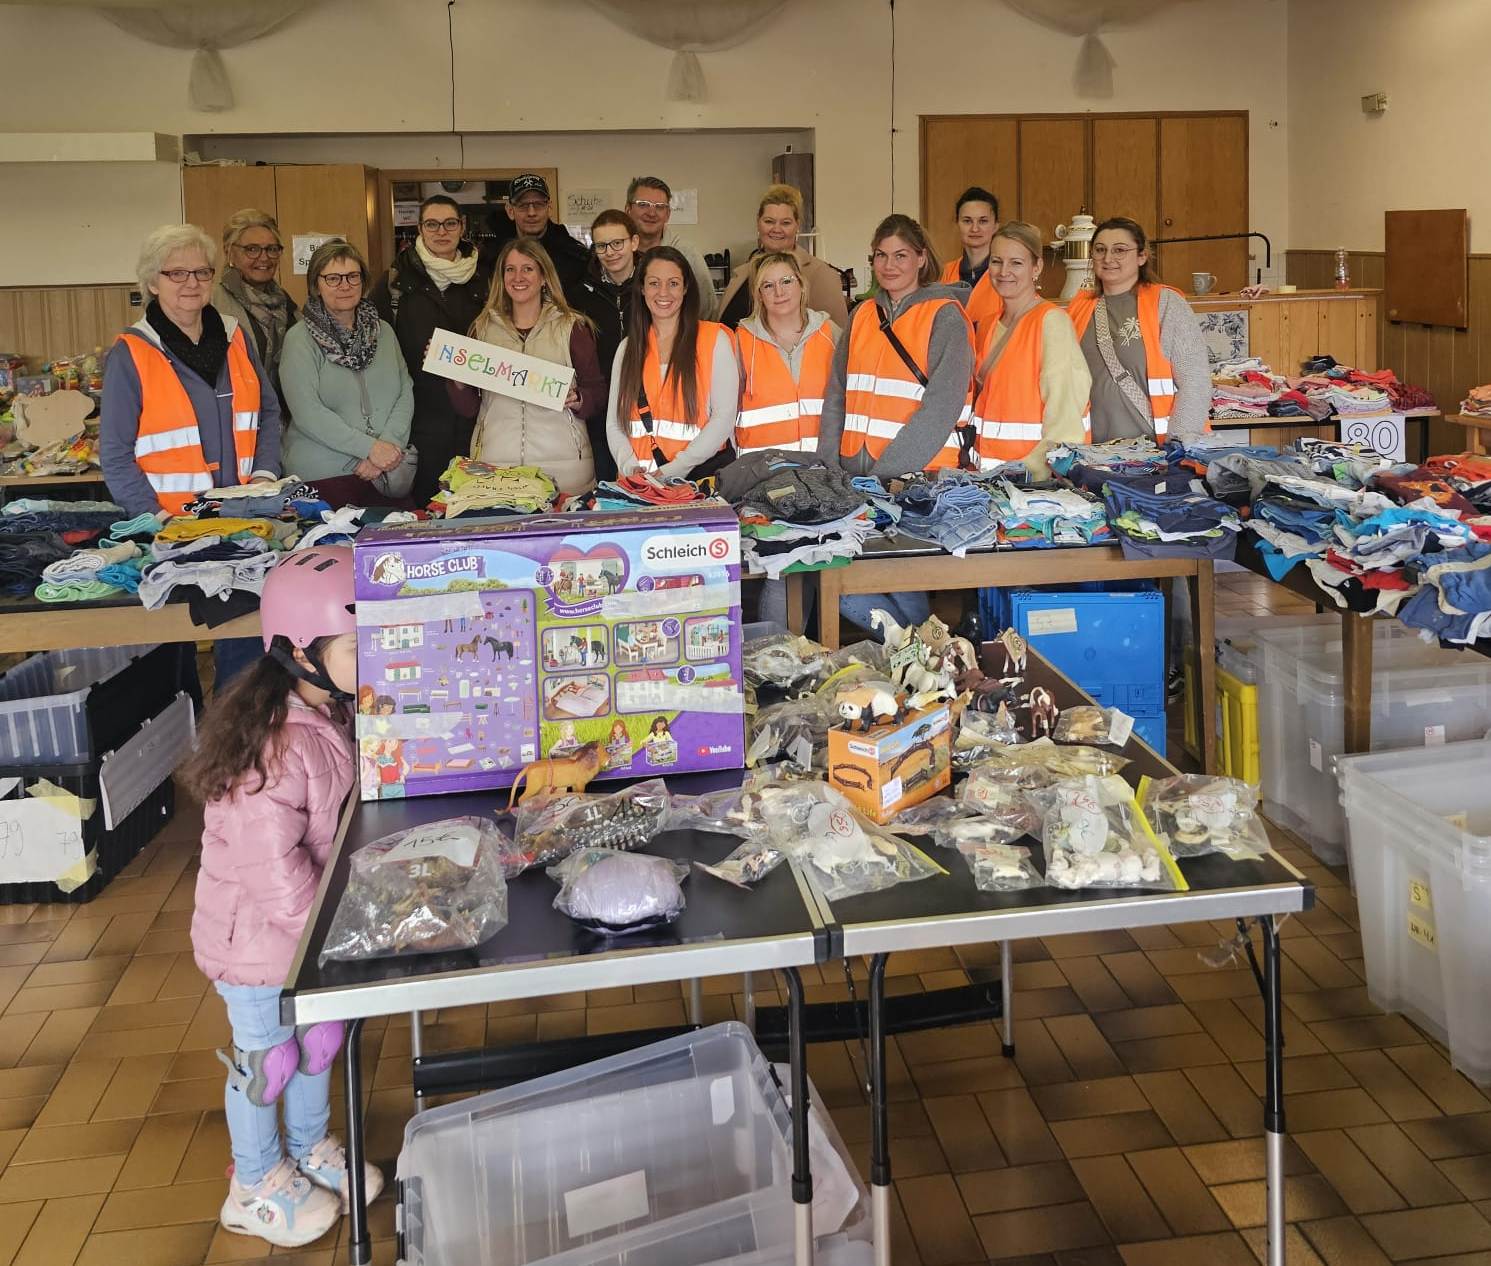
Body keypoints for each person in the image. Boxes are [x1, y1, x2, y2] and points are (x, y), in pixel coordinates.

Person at [186, 547, 383, 1249]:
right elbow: (274, 872)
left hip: (306, 934)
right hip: (260, 944)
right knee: (268, 1061)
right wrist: (330, 933)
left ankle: (306, 1149)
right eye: (362, 647)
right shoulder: (274, 748)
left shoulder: (328, 716)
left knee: (318, 1042)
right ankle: (254, 1180)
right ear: (301, 651)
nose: (378, 659)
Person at [102, 223, 284, 686]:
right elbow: (116, 454)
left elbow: (266, 410)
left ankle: (235, 739)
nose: (190, 283)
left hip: (240, 519)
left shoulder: (233, 334)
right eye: (176, 273)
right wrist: (150, 517)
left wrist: (265, 474)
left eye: (201, 272)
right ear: (152, 282)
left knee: (243, 639)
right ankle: (181, 742)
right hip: (172, 529)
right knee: (172, 650)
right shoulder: (133, 352)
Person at [817, 214, 975, 634]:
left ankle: (924, 657)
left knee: (903, 579)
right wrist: (830, 462)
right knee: (846, 585)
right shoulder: (862, 314)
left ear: (921, 259)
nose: (889, 265)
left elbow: (941, 406)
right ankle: (921, 655)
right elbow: (838, 393)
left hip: (914, 478)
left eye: (901, 255)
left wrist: (891, 471)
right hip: (855, 474)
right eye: (881, 256)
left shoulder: (946, 316)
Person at [453, 238, 605, 496]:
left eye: (528, 269)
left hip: (564, 473)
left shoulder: (572, 327)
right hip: (497, 472)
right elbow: (469, 408)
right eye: (510, 269)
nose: (518, 277)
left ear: (544, 276)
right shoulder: (481, 329)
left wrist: (580, 399)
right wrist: (456, 377)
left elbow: (598, 392)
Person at [369, 194, 493, 505]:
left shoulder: (486, 278)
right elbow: (377, 347)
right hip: (417, 417)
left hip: (477, 416)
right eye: (432, 224)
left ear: (462, 226)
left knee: (478, 507)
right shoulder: (395, 281)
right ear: (420, 229)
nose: (442, 231)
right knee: (427, 509)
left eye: (449, 223)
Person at [280, 240, 414, 508]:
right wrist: (369, 448)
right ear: (315, 284)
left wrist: (386, 447)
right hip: (324, 477)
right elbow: (307, 412)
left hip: (387, 472)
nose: (344, 285)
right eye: (333, 278)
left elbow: (404, 391)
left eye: (353, 276)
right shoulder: (299, 339)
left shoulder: (383, 331)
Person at [1067, 216, 1211, 443]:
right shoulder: (1078, 308)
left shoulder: (1166, 303)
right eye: (1100, 249)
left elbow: (1196, 384)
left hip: (1155, 455)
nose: (1108, 258)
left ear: (1142, 256)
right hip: (1090, 455)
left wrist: (1177, 448)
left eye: (1120, 250)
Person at [969, 221, 1091, 478]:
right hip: (987, 481)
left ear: (1037, 267)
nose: (1004, 272)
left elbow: (1065, 422)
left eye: (1016, 263)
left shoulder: (1051, 322)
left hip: (1032, 487)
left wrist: (1030, 476)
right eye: (996, 261)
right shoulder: (989, 324)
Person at [607, 246, 739, 481]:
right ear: (642, 288)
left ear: (686, 288)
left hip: (699, 482)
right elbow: (615, 424)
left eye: (673, 283)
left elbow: (724, 418)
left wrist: (674, 470)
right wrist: (629, 467)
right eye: (654, 283)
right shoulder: (627, 349)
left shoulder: (714, 340)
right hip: (641, 488)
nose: (663, 292)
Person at [734, 252, 839, 455]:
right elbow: (725, 413)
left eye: (786, 281)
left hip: (822, 467)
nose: (779, 292)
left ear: (801, 284)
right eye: (768, 285)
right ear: (759, 295)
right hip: (762, 471)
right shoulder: (742, 340)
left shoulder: (830, 333)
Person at [717, 184, 848, 329]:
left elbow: (836, 342)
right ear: (758, 222)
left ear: (797, 225)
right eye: (769, 221)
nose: (776, 229)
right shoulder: (742, 273)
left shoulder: (822, 276)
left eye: (785, 223)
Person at [213, 208, 297, 414]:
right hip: (234, 417)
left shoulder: (287, 303)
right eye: (252, 249)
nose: (264, 257)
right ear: (229, 251)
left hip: (283, 421)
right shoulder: (212, 302)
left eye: (272, 249)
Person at [625, 176, 718, 319]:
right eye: (643, 204)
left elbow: (707, 311)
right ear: (628, 209)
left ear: (668, 214)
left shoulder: (688, 255)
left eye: (660, 206)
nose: (651, 213)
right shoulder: (616, 255)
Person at [497, 173, 592, 299]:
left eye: (539, 204)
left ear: (549, 207)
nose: (531, 212)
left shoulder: (575, 257)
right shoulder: (496, 257)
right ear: (510, 211)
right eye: (523, 205)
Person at [939, 186, 999, 290]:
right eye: (967, 221)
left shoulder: (1005, 273)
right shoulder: (944, 274)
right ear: (957, 224)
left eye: (983, 221)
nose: (975, 229)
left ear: (996, 226)